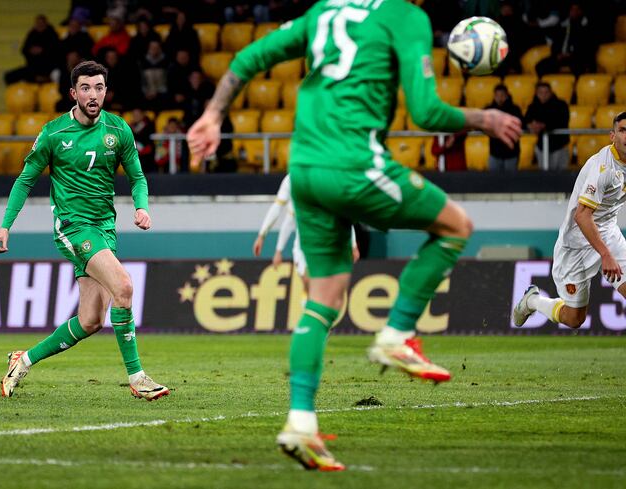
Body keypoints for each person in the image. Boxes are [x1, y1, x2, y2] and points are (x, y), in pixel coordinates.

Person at [187, 0, 521, 470]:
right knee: (455, 227)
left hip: (304, 170)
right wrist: (484, 119)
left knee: (323, 299)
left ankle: (300, 423)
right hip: (355, 164)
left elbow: (247, 58)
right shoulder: (405, 16)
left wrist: (213, 115)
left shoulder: (323, 11)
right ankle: (397, 333)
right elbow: (425, 111)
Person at [0, 60, 169, 402]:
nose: (93, 94)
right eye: (86, 88)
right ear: (73, 93)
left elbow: (137, 177)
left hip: (104, 228)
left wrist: (142, 206)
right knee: (125, 287)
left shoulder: (118, 130)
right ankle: (138, 378)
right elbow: (26, 180)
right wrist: (5, 226)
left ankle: (23, 360)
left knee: (90, 321)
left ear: (106, 91)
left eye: (99, 88)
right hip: (72, 227)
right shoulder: (54, 133)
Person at [514, 112, 626, 329]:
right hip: (576, 244)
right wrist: (605, 254)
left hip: (609, 235)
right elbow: (582, 216)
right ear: (612, 136)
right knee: (574, 319)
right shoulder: (603, 168)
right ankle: (533, 300)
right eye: (623, 130)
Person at [254, 174, 359, 295]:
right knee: (308, 284)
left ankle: (320, 309)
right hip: (304, 243)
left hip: (327, 240)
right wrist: (264, 237)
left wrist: (353, 243)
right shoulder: (291, 180)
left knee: (323, 290)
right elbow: (282, 214)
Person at [525, 82, 570, 171]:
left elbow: (562, 121)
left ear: (551, 92)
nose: (543, 95)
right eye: (540, 92)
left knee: (560, 178)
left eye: (546, 92)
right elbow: (526, 120)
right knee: (544, 178)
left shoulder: (561, 105)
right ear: (536, 93)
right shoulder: (533, 106)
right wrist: (530, 125)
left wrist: (543, 125)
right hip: (542, 147)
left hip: (559, 146)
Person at [4, 14, 59, 84]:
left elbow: (56, 51)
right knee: (9, 76)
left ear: (46, 24)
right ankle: (38, 79)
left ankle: (42, 78)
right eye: (38, 23)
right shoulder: (32, 33)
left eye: (41, 23)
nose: (40, 25)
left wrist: (42, 51)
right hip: (32, 67)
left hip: (47, 66)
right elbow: (23, 50)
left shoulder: (52, 34)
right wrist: (31, 51)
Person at [487, 84, 522, 171]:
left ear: (507, 95)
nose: (499, 98)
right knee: (494, 181)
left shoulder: (515, 109)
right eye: (497, 95)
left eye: (502, 95)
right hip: (495, 152)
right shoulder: (489, 109)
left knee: (511, 181)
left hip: (511, 152)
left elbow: (520, 124)